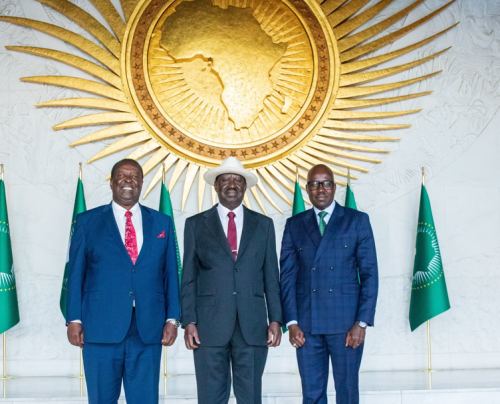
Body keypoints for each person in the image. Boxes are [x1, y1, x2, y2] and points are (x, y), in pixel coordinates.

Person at [65, 159, 180, 404]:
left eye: (135, 176)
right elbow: (76, 273)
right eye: (122, 175)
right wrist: (74, 318)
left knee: (145, 399)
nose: (128, 180)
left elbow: (170, 273)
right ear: (111, 182)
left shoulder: (162, 223)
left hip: (148, 328)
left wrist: (173, 319)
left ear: (141, 183)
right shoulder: (87, 222)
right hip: (100, 327)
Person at [181, 157, 283, 404]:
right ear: (215, 187)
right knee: (210, 397)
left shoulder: (264, 225)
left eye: (237, 180)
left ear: (245, 187)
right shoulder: (195, 224)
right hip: (208, 326)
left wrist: (276, 319)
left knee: (250, 398)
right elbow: (189, 277)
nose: (231, 185)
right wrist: (189, 321)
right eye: (225, 180)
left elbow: (271, 275)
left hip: (253, 325)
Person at [280, 164, 378, 404]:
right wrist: (291, 322)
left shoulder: (357, 220)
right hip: (306, 324)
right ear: (307, 189)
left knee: (347, 392)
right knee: (311, 394)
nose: (320, 189)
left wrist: (361, 323)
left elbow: (369, 275)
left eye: (325, 183)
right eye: (314, 184)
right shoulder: (295, 224)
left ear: (334, 188)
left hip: (346, 324)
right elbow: (287, 277)